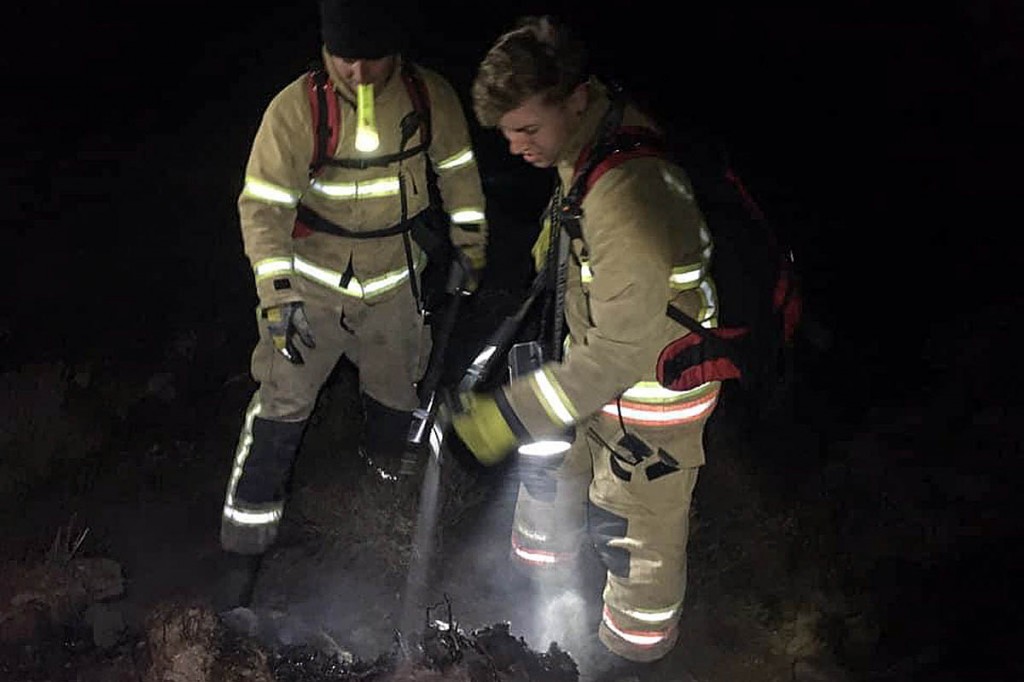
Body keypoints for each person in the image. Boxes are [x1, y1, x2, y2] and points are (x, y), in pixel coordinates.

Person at [453, 15, 720, 678]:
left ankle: (631, 658)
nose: (515, 147)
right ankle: (540, 602)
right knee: (554, 482)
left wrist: (505, 415)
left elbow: (620, 354)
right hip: (602, 376)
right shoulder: (589, 140)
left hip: (652, 399)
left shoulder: (629, 192)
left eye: (527, 130)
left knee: (635, 539)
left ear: (573, 98)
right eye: (506, 133)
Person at [216, 0, 488, 610]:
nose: (358, 74)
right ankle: (244, 552)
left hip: (396, 286)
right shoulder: (297, 109)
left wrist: (471, 245)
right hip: (309, 294)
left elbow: (460, 174)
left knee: (397, 402)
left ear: (397, 48)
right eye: (345, 58)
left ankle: (382, 522)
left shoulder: (428, 97)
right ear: (325, 49)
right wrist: (277, 296)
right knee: (279, 412)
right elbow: (260, 209)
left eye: (371, 59)